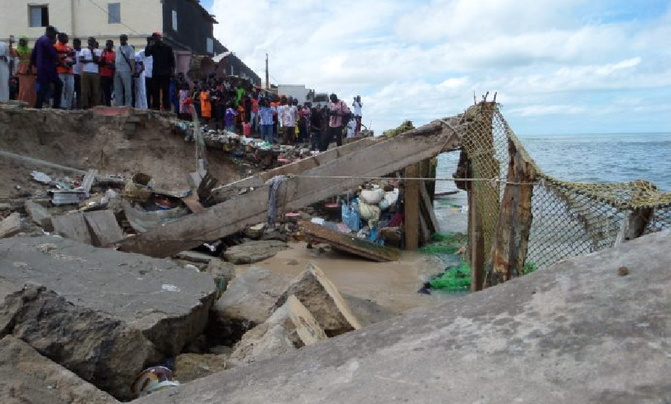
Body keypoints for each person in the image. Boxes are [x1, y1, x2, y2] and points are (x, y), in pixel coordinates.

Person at [31, 26, 62, 109]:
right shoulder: (46, 41)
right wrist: (62, 63)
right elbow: (53, 54)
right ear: (50, 32)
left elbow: (33, 54)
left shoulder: (39, 40)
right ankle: (54, 106)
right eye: (54, 34)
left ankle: (38, 105)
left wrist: (34, 64)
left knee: (42, 87)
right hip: (48, 69)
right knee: (56, 85)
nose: (55, 37)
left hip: (42, 68)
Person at [145, 32, 174, 111]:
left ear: (159, 38)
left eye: (155, 38)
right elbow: (147, 54)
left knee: (165, 90)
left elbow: (172, 61)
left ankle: (166, 107)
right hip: (156, 72)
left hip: (165, 72)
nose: (154, 40)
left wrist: (172, 72)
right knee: (155, 90)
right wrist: (148, 44)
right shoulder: (153, 47)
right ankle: (156, 107)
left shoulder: (167, 47)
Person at [79, 36, 100, 109]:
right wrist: (91, 61)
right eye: (89, 41)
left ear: (94, 42)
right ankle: (85, 105)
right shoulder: (83, 50)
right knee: (85, 90)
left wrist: (92, 51)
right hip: (85, 72)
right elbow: (81, 60)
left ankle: (95, 106)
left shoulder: (97, 51)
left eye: (92, 41)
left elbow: (97, 60)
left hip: (95, 72)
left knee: (95, 91)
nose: (90, 42)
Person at [55, 32, 75, 109]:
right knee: (62, 89)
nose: (67, 39)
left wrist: (70, 64)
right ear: (60, 38)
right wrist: (66, 56)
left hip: (70, 71)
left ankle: (69, 106)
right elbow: (55, 60)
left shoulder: (70, 48)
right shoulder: (55, 47)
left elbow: (74, 60)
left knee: (70, 89)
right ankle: (63, 106)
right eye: (65, 37)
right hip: (60, 71)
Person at [15, 36, 36, 107]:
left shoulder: (30, 50)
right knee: (24, 88)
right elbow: (12, 54)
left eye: (23, 41)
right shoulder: (17, 50)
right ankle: (22, 103)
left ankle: (32, 104)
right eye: (21, 41)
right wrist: (10, 44)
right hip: (22, 70)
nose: (22, 42)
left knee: (31, 88)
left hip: (31, 70)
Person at [114, 34, 135, 106]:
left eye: (123, 39)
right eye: (121, 39)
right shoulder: (117, 47)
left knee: (127, 90)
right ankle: (119, 105)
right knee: (117, 90)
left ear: (126, 40)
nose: (122, 40)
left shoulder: (130, 48)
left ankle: (128, 105)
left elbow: (132, 60)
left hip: (126, 70)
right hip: (117, 70)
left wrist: (133, 70)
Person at [98, 40, 115, 106]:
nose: (109, 46)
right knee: (106, 91)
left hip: (112, 74)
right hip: (104, 75)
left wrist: (111, 64)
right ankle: (107, 105)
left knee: (112, 91)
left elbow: (114, 63)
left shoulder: (114, 53)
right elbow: (100, 63)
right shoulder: (103, 53)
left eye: (110, 45)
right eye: (107, 44)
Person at [0, 37, 12, 102]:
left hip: (3, 66)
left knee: (4, 84)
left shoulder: (4, 45)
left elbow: (8, 56)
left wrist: (5, 58)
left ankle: (4, 100)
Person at [72, 38, 82, 108]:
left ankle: (79, 105)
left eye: (75, 43)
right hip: (73, 73)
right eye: (73, 43)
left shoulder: (83, 51)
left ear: (79, 44)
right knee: (72, 90)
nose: (74, 45)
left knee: (79, 91)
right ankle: (72, 105)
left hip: (81, 74)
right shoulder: (72, 51)